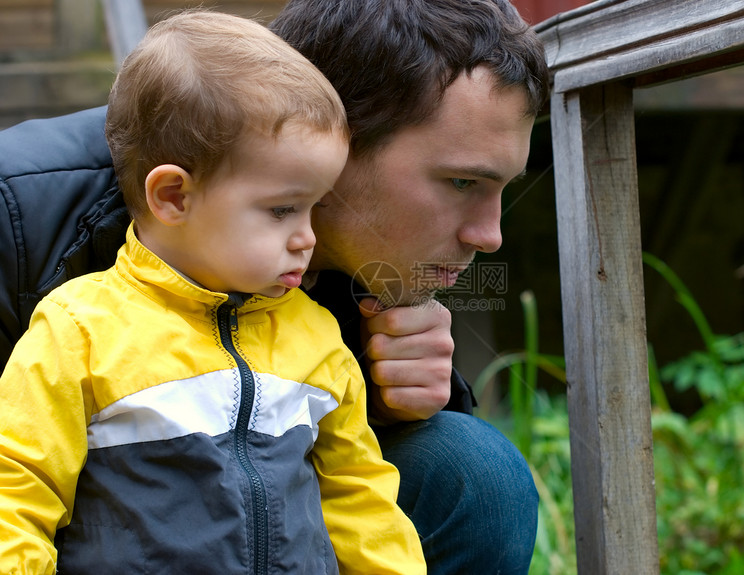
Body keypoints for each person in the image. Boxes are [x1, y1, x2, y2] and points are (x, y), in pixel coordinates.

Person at [0, 1, 551, 573]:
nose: (492, 237)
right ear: (331, 131)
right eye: (462, 181)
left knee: (472, 473)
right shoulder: (19, 213)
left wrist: (388, 401)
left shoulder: (347, 263)